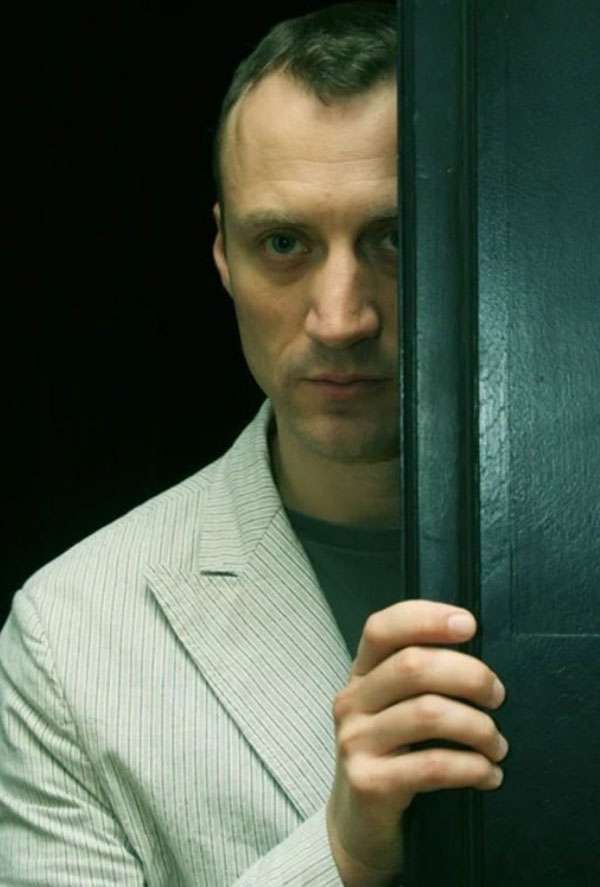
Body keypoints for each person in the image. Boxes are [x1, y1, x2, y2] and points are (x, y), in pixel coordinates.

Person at [0, 3, 508, 884]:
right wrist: (340, 852)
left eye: (394, 237)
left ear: (483, 239)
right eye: (283, 243)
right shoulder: (71, 636)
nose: (341, 318)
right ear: (223, 255)